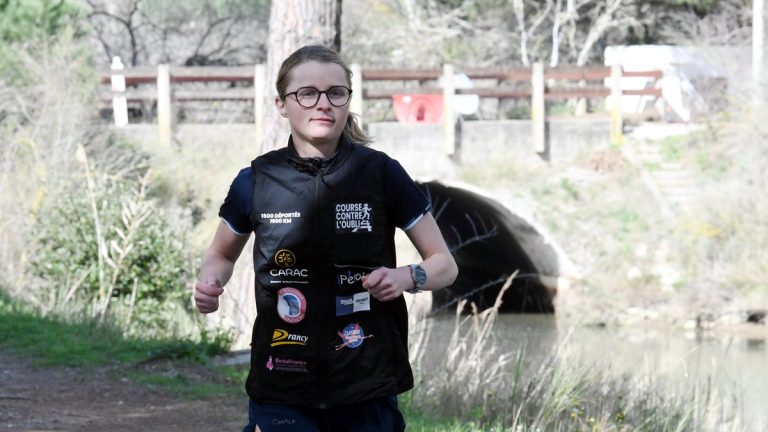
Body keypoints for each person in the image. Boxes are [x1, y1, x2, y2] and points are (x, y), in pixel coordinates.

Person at [194, 45, 458, 432]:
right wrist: (210, 283)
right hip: (282, 380)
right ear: (282, 104)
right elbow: (220, 254)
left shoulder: (382, 174)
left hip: (365, 380)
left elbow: (445, 265)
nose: (323, 104)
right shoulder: (255, 180)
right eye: (307, 93)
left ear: (347, 100)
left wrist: (406, 276)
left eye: (336, 93)